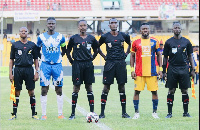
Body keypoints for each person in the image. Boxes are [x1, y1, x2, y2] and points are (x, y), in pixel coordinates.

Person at [98, 18, 131, 119]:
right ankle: (102, 113)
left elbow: (130, 44)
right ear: (109, 26)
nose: (113, 24)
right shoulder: (104, 36)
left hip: (121, 63)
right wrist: (104, 56)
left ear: (117, 24)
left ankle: (124, 113)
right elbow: (97, 47)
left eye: (115, 23)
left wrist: (126, 53)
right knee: (106, 87)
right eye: (111, 23)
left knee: (121, 87)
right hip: (110, 63)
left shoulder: (123, 35)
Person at [66, 20, 98, 120]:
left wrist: (91, 58)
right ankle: (72, 113)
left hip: (88, 64)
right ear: (78, 27)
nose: (83, 27)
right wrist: (72, 61)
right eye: (81, 25)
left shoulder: (92, 38)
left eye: (84, 25)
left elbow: (97, 50)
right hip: (77, 64)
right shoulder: (73, 38)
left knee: (89, 87)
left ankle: (92, 112)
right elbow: (68, 51)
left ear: (87, 27)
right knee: (76, 88)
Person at [162, 22, 195, 118]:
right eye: (175, 27)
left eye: (178, 28)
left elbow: (190, 56)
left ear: (181, 29)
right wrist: (164, 71)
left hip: (184, 68)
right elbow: (165, 58)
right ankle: (169, 113)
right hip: (172, 68)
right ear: (172, 29)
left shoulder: (187, 42)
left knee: (184, 90)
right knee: (171, 90)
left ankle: (186, 113)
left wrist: (193, 69)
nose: (177, 29)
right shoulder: (168, 42)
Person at [36, 17, 66, 120]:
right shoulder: (41, 37)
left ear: (55, 25)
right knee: (44, 89)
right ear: (46, 25)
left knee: (59, 89)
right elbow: (37, 51)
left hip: (57, 66)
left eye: (53, 23)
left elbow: (64, 50)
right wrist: (43, 59)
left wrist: (58, 58)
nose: (51, 25)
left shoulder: (61, 37)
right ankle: (44, 114)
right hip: (45, 66)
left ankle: (60, 114)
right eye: (49, 23)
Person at [130, 23, 162, 119]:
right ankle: (136, 113)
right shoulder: (135, 42)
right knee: (136, 92)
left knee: (154, 92)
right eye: (143, 29)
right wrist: (132, 70)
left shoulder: (154, 41)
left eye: (146, 29)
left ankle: (154, 113)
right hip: (139, 72)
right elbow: (132, 56)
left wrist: (160, 70)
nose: (145, 30)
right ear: (140, 31)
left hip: (152, 72)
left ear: (149, 30)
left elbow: (159, 55)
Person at [9, 27, 39, 120]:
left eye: (25, 31)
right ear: (19, 33)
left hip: (29, 70)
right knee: (17, 92)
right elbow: (11, 60)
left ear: (28, 33)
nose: (23, 33)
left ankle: (34, 114)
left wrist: (36, 72)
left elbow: (36, 59)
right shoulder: (15, 45)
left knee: (31, 91)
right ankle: (14, 114)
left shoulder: (32, 45)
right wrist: (10, 73)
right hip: (18, 70)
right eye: (21, 31)